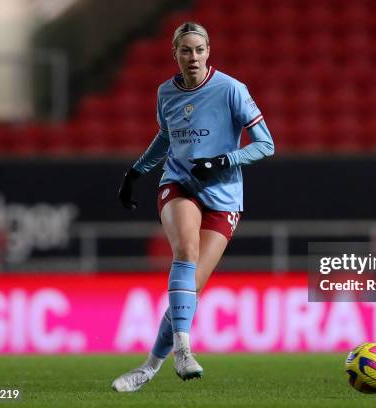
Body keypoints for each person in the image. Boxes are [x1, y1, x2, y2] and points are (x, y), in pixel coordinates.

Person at [111, 21, 274, 392]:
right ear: (175, 54)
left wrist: (221, 161)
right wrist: (136, 172)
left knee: (190, 289)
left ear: (208, 52)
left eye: (199, 50)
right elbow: (166, 138)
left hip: (224, 196)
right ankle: (184, 349)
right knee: (185, 251)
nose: (193, 57)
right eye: (186, 50)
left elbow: (267, 144)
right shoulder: (165, 93)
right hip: (178, 183)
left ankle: (149, 367)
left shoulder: (231, 89)